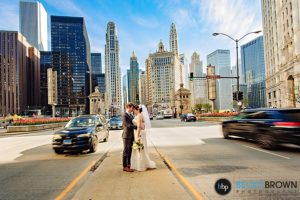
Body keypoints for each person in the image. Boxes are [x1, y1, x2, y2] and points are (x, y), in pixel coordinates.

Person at [131, 104, 156, 171]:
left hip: (140, 133)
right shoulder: (140, 115)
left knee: (140, 149)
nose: (133, 111)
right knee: (142, 148)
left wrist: (137, 135)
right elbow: (142, 125)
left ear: (138, 109)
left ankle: (141, 165)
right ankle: (143, 163)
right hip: (142, 132)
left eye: (134, 110)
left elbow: (139, 126)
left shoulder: (139, 115)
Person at [122, 103, 136, 172]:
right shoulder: (124, 115)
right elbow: (127, 124)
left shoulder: (131, 115)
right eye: (132, 108)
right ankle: (124, 166)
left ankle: (128, 165)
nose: (133, 109)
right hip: (126, 135)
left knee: (130, 151)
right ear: (128, 107)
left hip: (131, 135)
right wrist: (136, 127)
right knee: (126, 151)